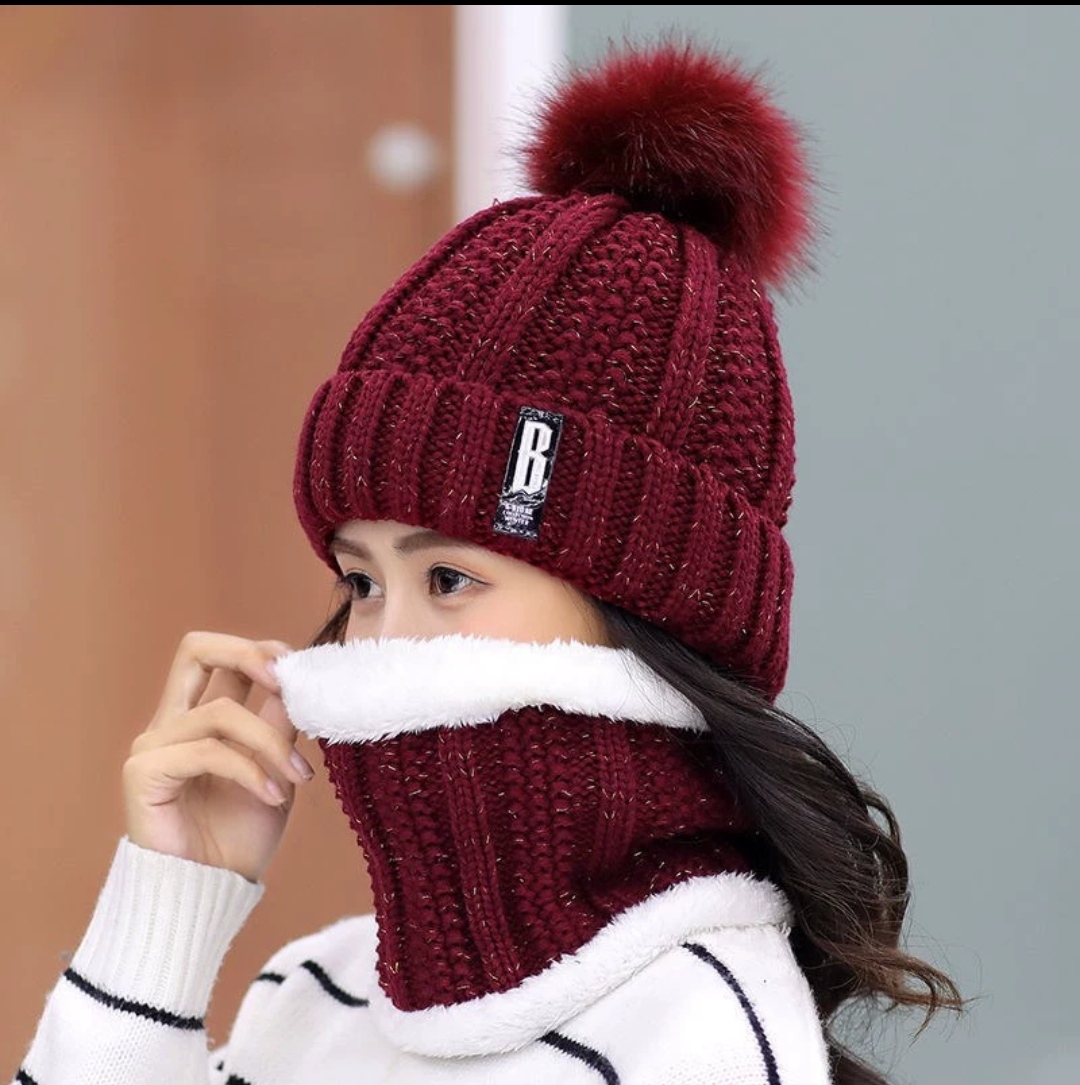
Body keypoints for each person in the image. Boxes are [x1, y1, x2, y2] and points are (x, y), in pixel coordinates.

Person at [12, 37, 964, 1085]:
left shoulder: (694, 1033)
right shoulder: (316, 992)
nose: (386, 643)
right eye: (361, 582)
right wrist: (165, 912)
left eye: (450, 578)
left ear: (645, 614)